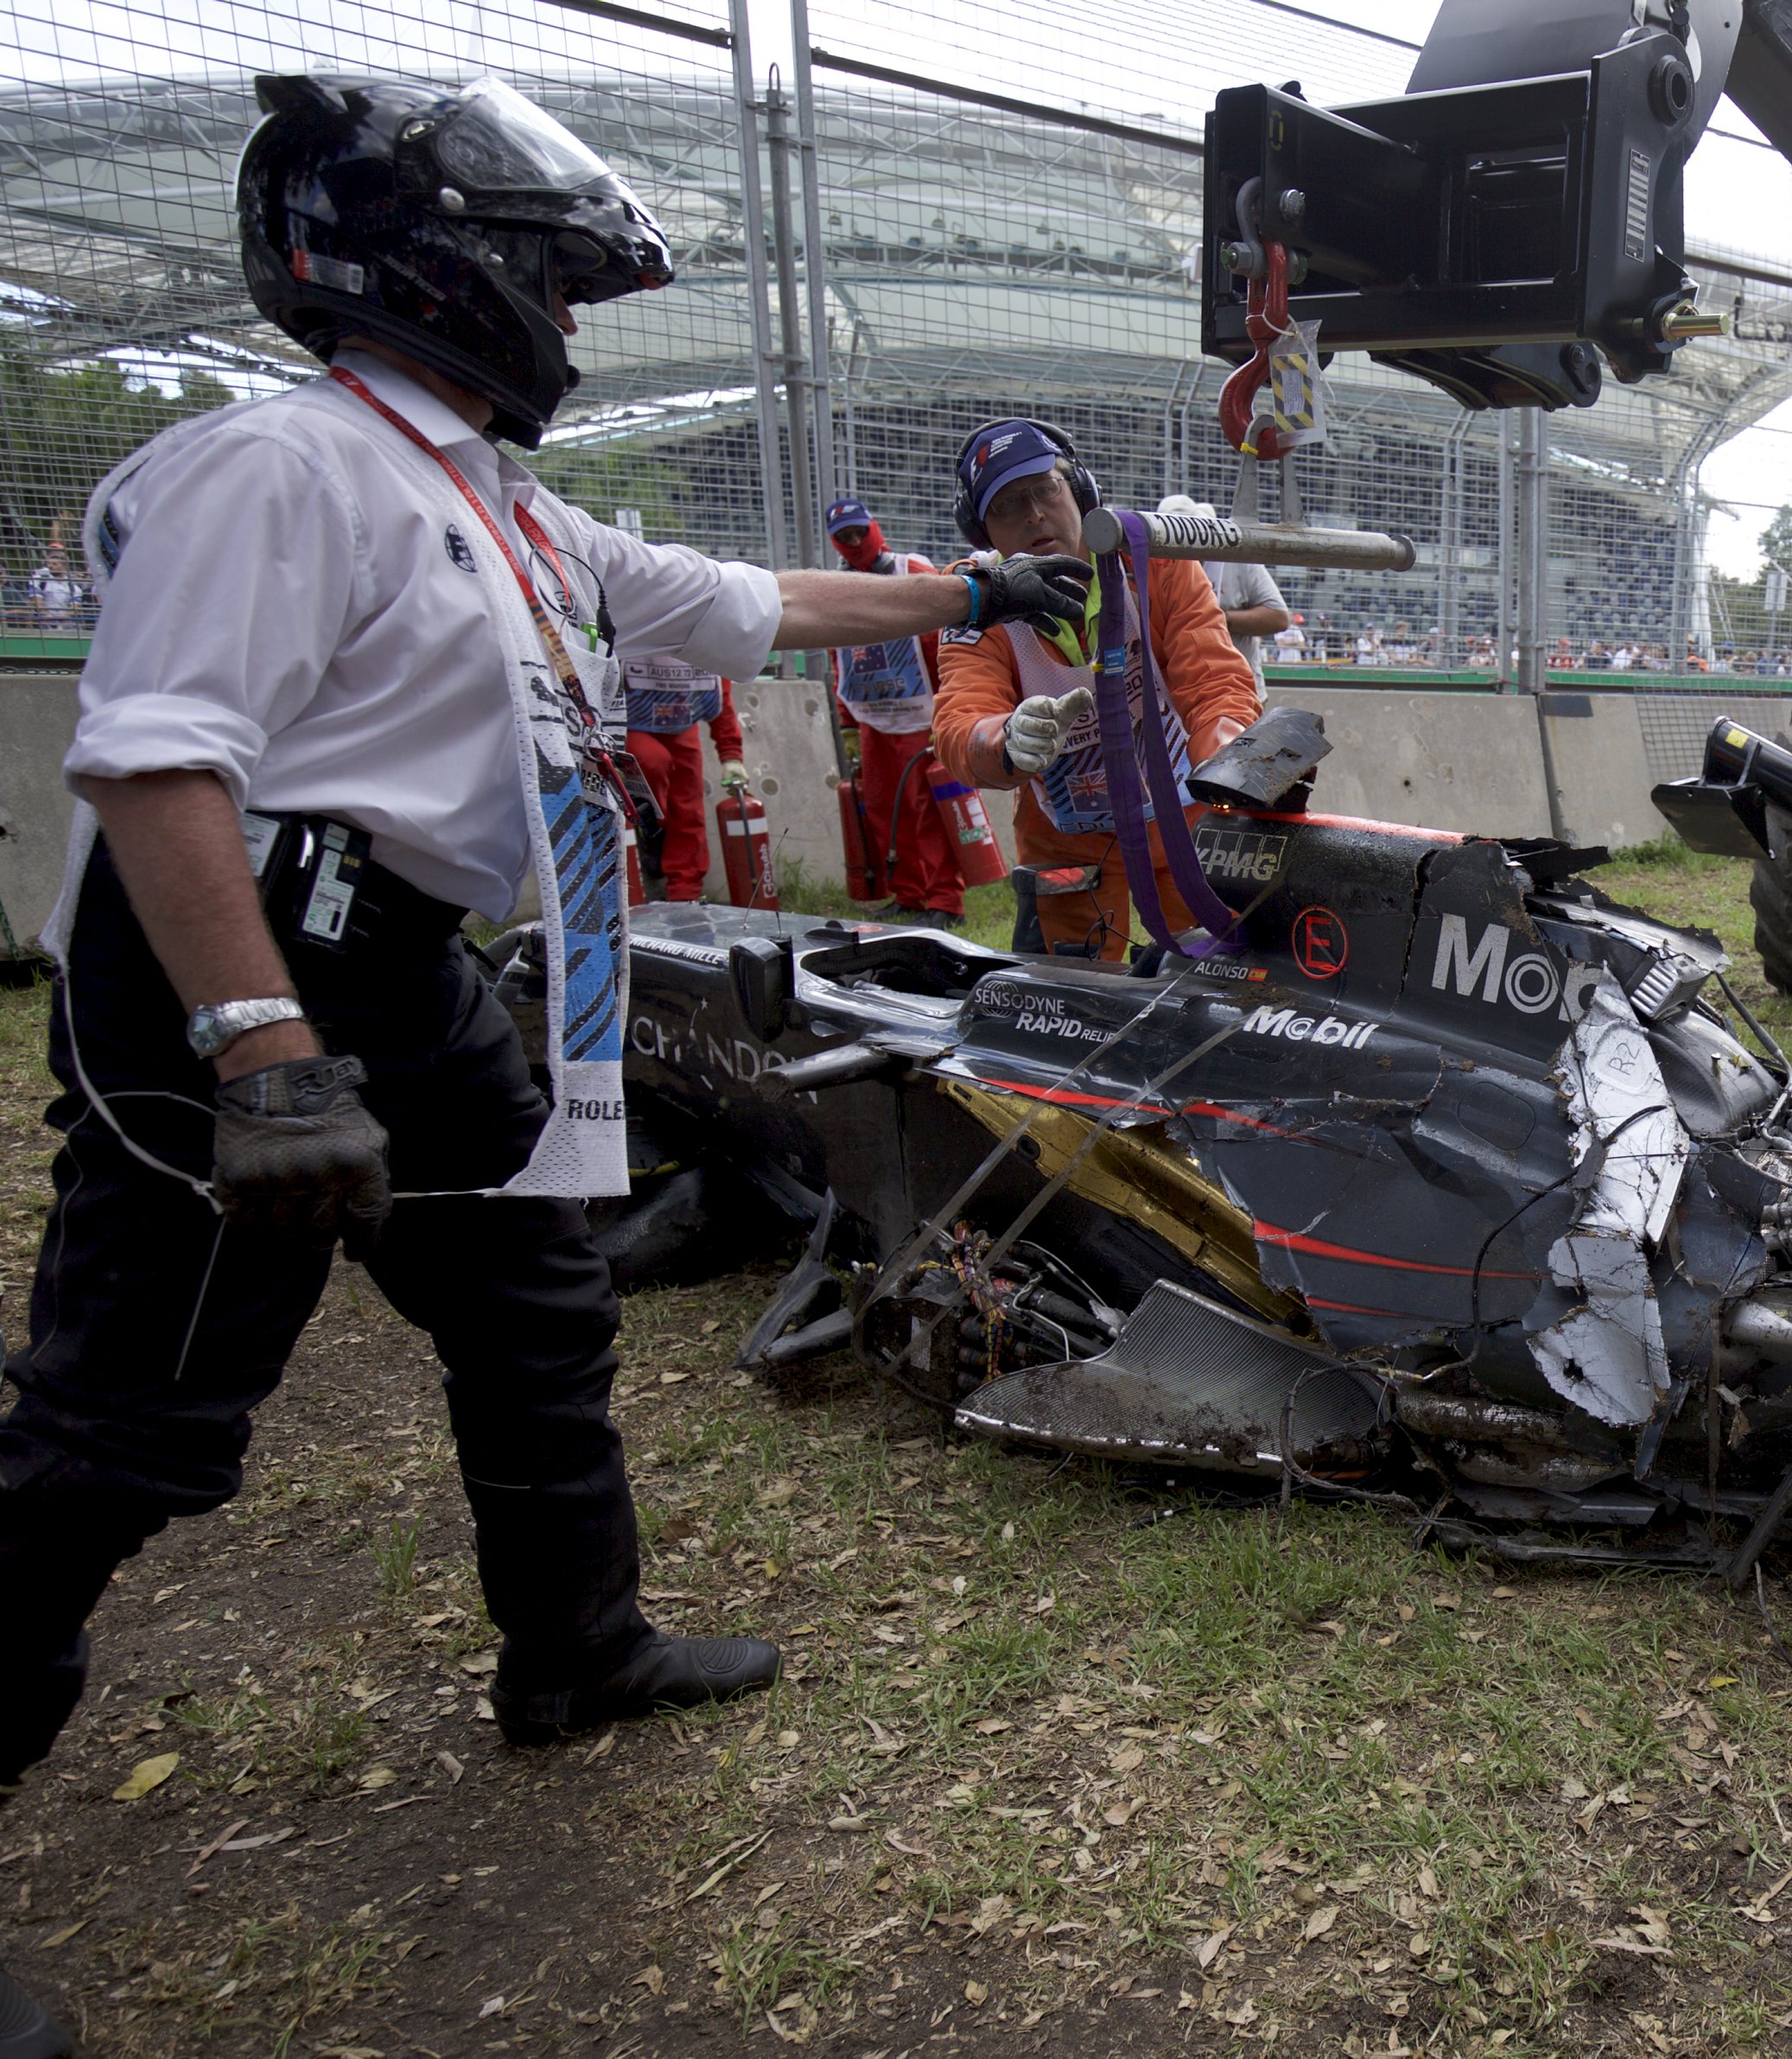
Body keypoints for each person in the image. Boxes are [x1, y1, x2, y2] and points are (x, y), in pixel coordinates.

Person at [0, 77, 1092, 2059]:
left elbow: (738, 607)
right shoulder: (286, 470)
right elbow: (158, 759)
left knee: (530, 1297)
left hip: (409, 978)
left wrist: (979, 595)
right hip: (231, 971)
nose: (576, 331)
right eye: (561, 291)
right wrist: (260, 1051)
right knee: (116, 1431)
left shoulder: (495, 502)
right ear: (445, 269)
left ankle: (574, 1652)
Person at [934, 421, 1258, 963]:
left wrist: (1230, 753)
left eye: (1044, 489)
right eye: (1008, 504)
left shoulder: (1154, 558)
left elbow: (1215, 680)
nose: (1034, 513)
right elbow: (961, 718)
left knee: (1221, 970)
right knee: (1066, 993)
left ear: (1079, 490)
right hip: (1062, 835)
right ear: (982, 531)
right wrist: (1006, 739)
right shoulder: (974, 600)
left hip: (1186, 815)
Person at [823, 493, 967, 928]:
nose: (854, 542)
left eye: (858, 532)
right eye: (843, 537)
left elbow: (948, 647)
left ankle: (945, 902)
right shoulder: (834, 590)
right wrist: (848, 724)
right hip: (873, 720)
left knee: (927, 809)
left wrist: (947, 711)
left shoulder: (913, 573)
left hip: (920, 717)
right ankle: (908, 894)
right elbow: (840, 659)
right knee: (885, 807)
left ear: (874, 528)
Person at [621, 652, 744, 902]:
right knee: (651, 762)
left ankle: (685, 895)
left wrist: (731, 754)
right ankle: (650, 830)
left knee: (689, 811)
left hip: (682, 723)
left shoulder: (705, 630)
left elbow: (719, 687)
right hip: (629, 723)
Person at [1157, 493, 1289, 698]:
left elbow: (1278, 617)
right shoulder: (1153, 566)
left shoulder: (1235, 558)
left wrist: (1217, 618)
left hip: (1239, 692)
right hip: (1179, 694)